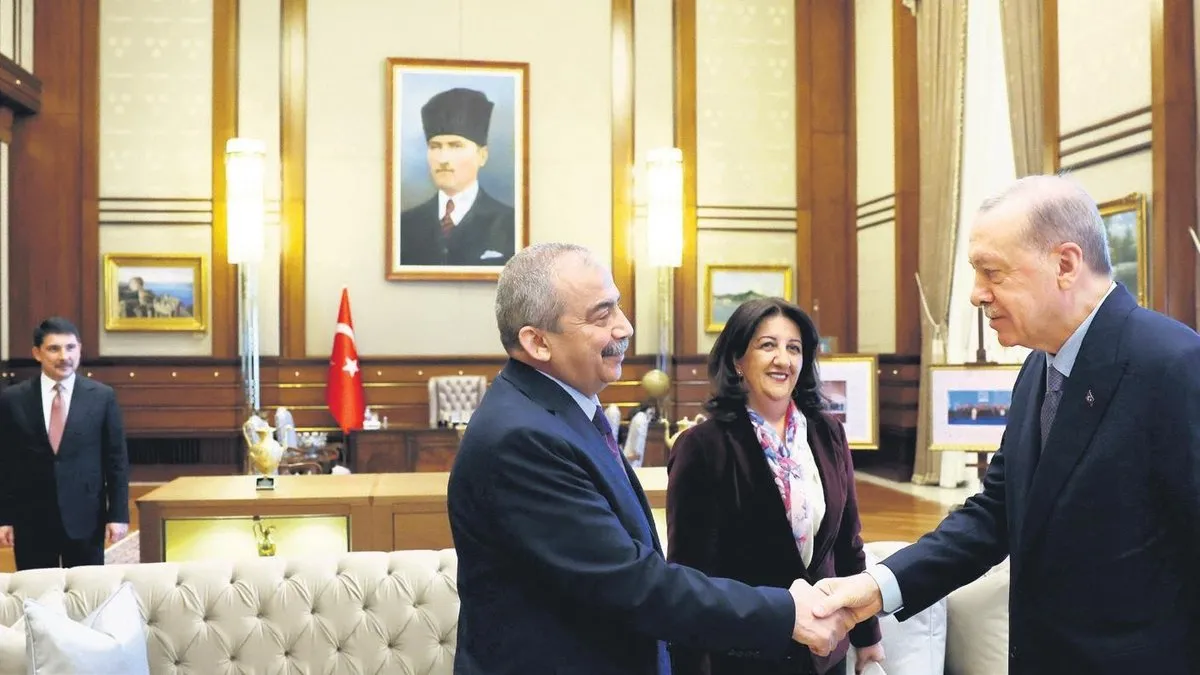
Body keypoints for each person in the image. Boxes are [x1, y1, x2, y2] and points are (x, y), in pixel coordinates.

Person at [811, 174, 1200, 674]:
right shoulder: (1038, 368)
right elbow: (996, 514)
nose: (977, 295)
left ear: (1065, 265)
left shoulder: (1171, 365)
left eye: (991, 273)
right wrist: (876, 587)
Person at [447, 243, 857, 674]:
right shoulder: (522, 439)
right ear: (537, 341)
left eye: (618, 306)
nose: (624, 327)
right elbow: (630, 582)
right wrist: (787, 612)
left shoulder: (562, 413)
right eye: (601, 315)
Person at [667, 297, 884, 675]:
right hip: (744, 657)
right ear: (738, 359)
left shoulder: (828, 433)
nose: (783, 359)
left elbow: (848, 544)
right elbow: (690, 577)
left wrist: (868, 638)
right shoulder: (702, 446)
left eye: (794, 348)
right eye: (768, 345)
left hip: (824, 654)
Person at [0, 317, 131, 569]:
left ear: (79, 349)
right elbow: (5, 463)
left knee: (87, 590)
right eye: (54, 348)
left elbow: (116, 461)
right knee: (37, 590)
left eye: (70, 347)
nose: (64, 356)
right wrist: (4, 518)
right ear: (37, 353)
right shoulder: (12, 399)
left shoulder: (102, 397)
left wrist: (118, 515)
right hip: (31, 520)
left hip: (86, 518)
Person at [398, 87, 516, 267]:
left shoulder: (510, 223)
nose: (443, 159)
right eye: (435, 146)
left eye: (456, 146)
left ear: (482, 156)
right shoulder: (405, 225)